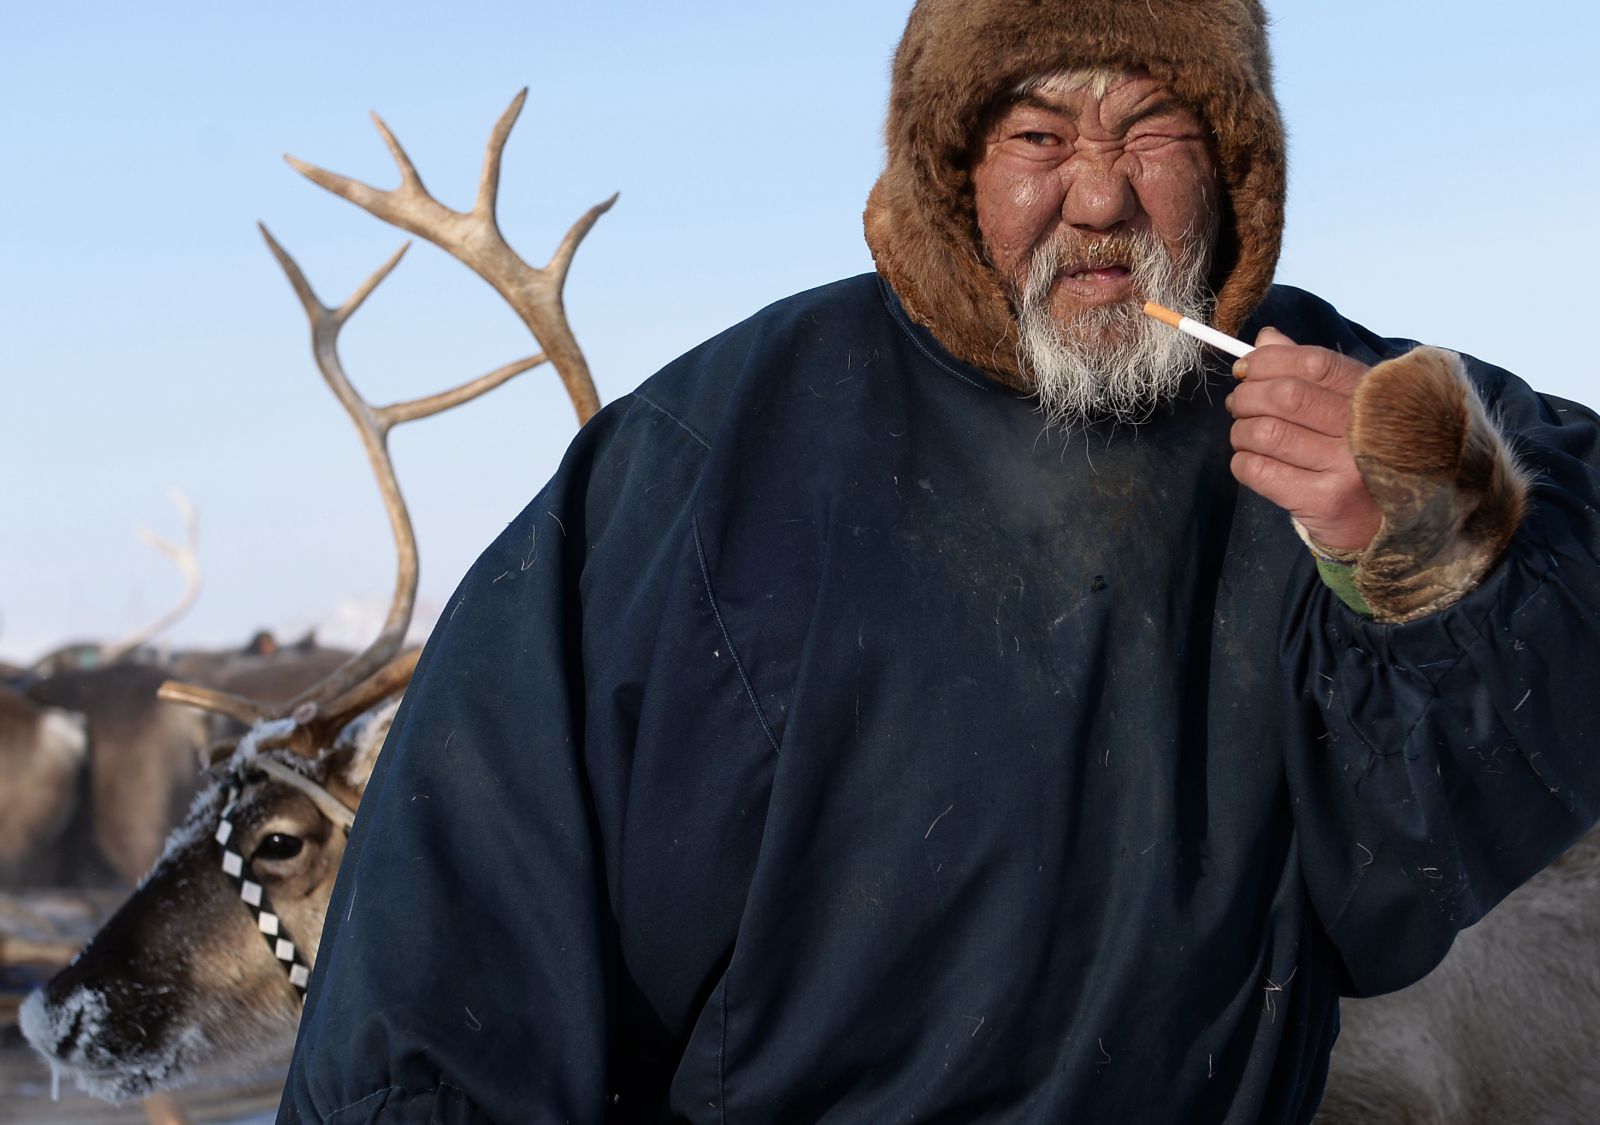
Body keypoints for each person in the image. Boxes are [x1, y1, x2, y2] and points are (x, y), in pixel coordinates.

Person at [279, 1, 1600, 1121]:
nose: (1100, 196)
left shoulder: (1341, 409)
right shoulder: (698, 462)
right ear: (949, 161)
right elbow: (450, 953)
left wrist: (1423, 547)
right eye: (1040, 137)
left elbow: (1425, 847)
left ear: (1237, 161)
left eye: (1154, 131)